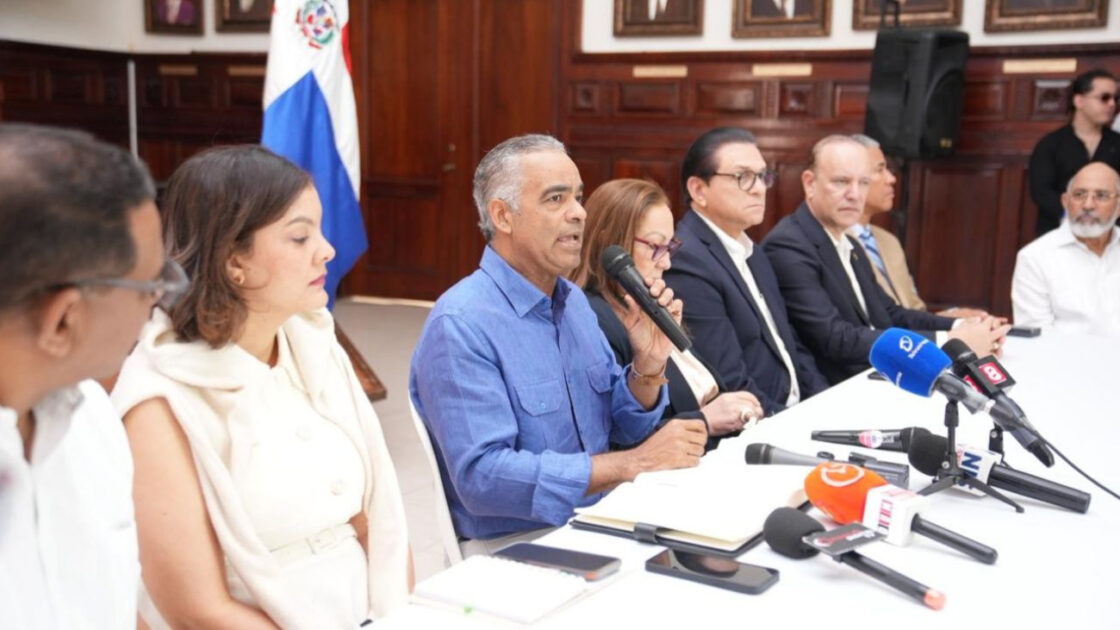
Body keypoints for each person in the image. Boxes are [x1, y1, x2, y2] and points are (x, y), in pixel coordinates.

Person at [111, 145, 410, 628]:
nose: (327, 250)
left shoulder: (316, 349)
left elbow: (380, 525)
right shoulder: (159, 401)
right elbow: (197, 609)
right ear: (234, 260)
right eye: (300, 237)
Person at [410, 134, 707, 553]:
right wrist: (631, 464)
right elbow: (483, 479)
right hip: (518, 542)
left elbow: (621, 426)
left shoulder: (574, 305)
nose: (579, 213)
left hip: (602, 517)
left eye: (578, 197)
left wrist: (648, 364)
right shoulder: (460, 324)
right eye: (555, 199)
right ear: (503, 216)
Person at [0, 123, 174, 629]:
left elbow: (118, 608)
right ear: (64, 320)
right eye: (149, 284)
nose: (158, 302)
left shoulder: (91, 417)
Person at [762, 135, 1008, 384]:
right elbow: (835, 338)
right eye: (841, 181)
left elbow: (891, 314)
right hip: (837, 388)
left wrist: (961, 326)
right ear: (810, 183)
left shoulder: (850, 244)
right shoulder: (789, 245)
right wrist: (948, 341)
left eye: (863, 182)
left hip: (877, 375)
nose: (855, 194)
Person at [571, 178, 764, 447]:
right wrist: (704, 421)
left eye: (670, 247)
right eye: (655, 247)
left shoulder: (651, 303)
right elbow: (617, 438)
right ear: (610, 243)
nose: (667, 262)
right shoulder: (593, 317)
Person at [663, 127, 829, 415]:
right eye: (743, 177)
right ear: (698, 190)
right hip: (758, 422)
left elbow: (789, 344)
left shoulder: (753, 251)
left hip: (795, 410)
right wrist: (798, 421)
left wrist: (825, 402)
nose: (759, 188)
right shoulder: (687, 261)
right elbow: (729, 381)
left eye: (763, 176)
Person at [847, 134, 989, 318]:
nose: (891, 178)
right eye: (880, 170)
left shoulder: (888, 241)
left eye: (888, 169)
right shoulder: (833, 242)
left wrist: (953, 319)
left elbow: (914, 311)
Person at [1012, 162, 1120, 336]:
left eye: (1101, 196)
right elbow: (1037, 337)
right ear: (1065, 201)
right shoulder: (1035, 257)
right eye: (1079, 195)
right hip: (1063, 354)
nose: (1088, 205)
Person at [1029, 68, 1120, 236]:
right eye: (1104, 97)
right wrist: (1078, 215)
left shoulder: (1117, 143)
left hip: (1111, 235)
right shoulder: (1051, 144)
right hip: (1059, 233)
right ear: (1079, 101)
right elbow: (1041, 192)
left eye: (1115, 98)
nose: (1112, 104)